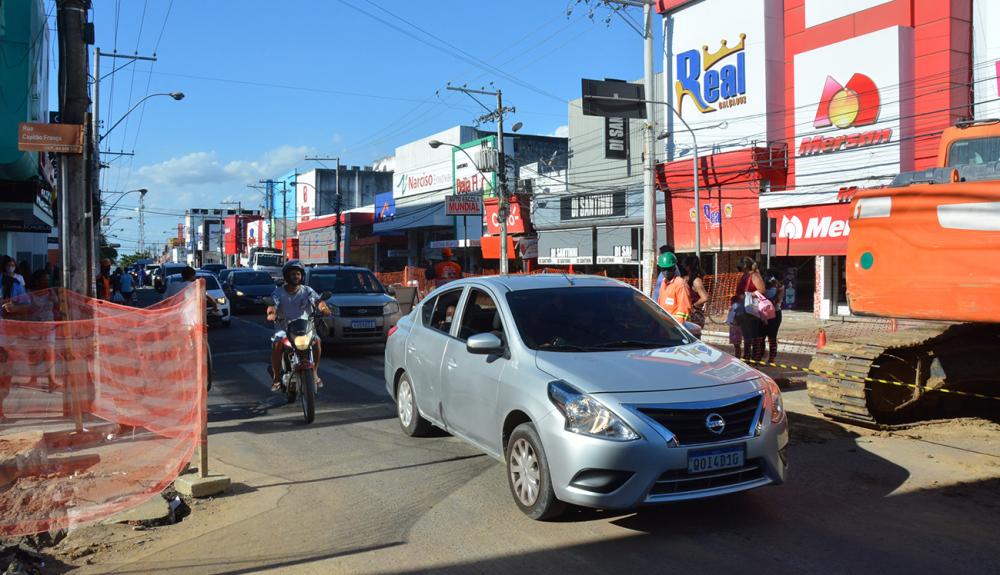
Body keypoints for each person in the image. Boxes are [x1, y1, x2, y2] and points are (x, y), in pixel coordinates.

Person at [266, 260, 330, 392]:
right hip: (284, 329)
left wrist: (324, 309)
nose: (296, 276)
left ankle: (315, 373)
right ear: (286, 276)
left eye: (298, 274)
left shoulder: (307, 291)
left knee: (317, 341)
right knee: (277, 344)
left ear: (302, 276)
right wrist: (272, 314)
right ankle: (277, 378)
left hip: (305, 328)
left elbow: (318, 302)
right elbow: (272, 306)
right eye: (293, 274)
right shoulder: (278, 292)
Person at [733, 256, 766, 361]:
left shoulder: (754, 275)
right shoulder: (744, 276)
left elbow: (762, 290)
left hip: (751, 309)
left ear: (745, 265)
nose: (739, 268)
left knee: (753, 334)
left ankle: (755, 357)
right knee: (746, 335)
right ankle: (747, 356)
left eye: (740, 265)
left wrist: (747, 295)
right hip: (743, 309)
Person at [655, 252, 692, 324]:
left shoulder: (680, 283)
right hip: (665, 324)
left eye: (669, 269)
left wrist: (678, 328)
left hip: (675, 326)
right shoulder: (663, 283)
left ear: (674, 268)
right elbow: (660, 304)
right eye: (663, 269)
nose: (666, 272)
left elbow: (683, 308)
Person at [763, 269, 786, 363]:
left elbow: (778, 299)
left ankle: (771, 358)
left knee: (772, 336)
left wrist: (775, 283)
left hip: (775, 314)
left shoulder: (779, 288)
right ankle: (762, 355)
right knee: (762, 336)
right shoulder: (763, 288)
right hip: (764, 313)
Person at [682, 255, 709, 328]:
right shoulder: (689, 279)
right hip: (691, 314)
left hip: (696, 315)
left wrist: (694, 306)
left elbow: (705, 298)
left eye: (685, 266)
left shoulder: (696, 281)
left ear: (689, 267)